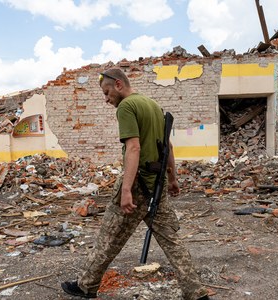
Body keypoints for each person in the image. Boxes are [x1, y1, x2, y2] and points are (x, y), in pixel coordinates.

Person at [61, 68, 210, 300]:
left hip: (138, 183)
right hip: (157, 186)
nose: (106, 98)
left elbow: (134, 147)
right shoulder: (153, 106)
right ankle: (196, 293)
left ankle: (85, 286)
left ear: (119, 84)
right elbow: (167, 147)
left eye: (107, 92)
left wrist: (127, 190)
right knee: (173, 242)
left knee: (108, 238)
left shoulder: (126, 107)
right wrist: (172, 178)